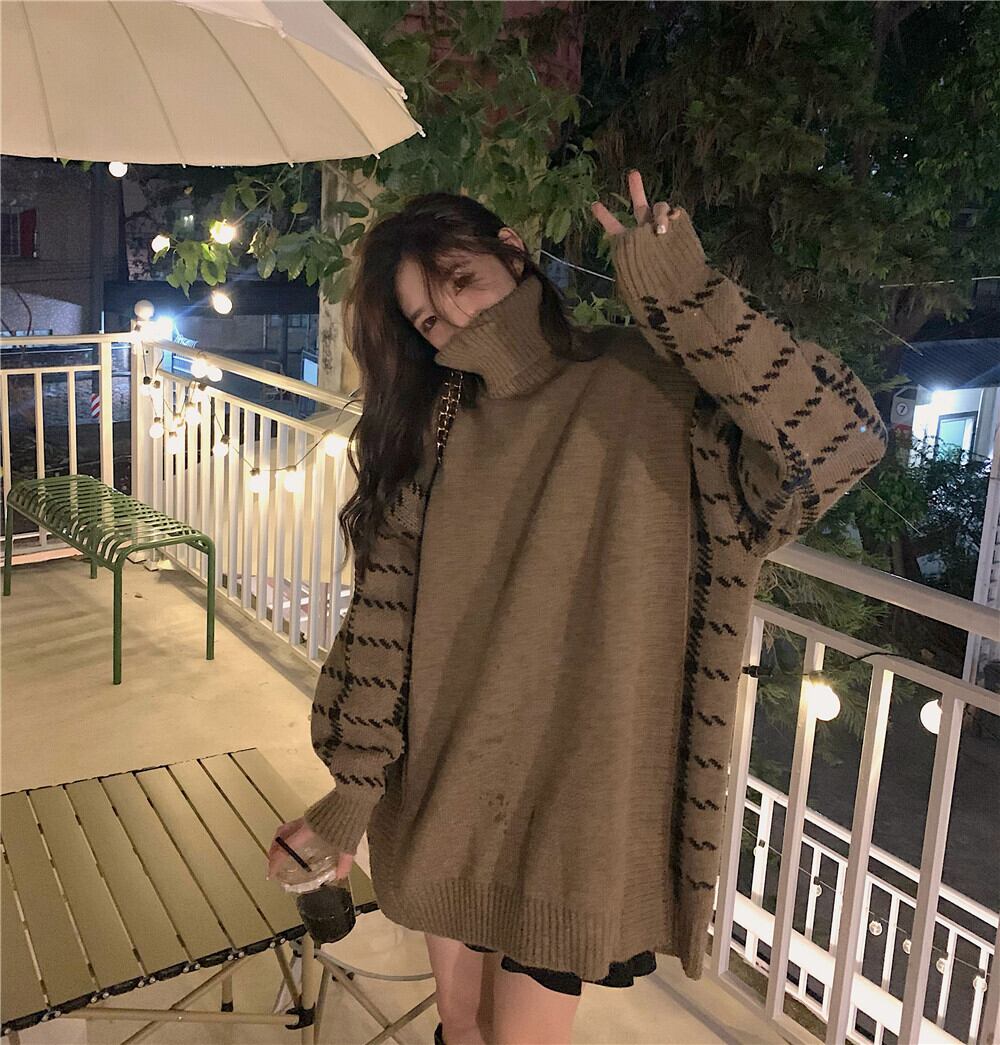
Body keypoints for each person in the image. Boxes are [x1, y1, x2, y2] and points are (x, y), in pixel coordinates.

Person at [267, 170, 888, 1044]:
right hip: (451, 781)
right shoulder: (436, 424)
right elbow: (383, 623)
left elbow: (841, 440)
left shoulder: (649, 387)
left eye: (462, 282)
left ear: (513, 252)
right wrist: (352, 792)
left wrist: (685, 294)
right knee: (461, 1023)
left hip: (580, 801)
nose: (459, 321)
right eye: (430, 321)